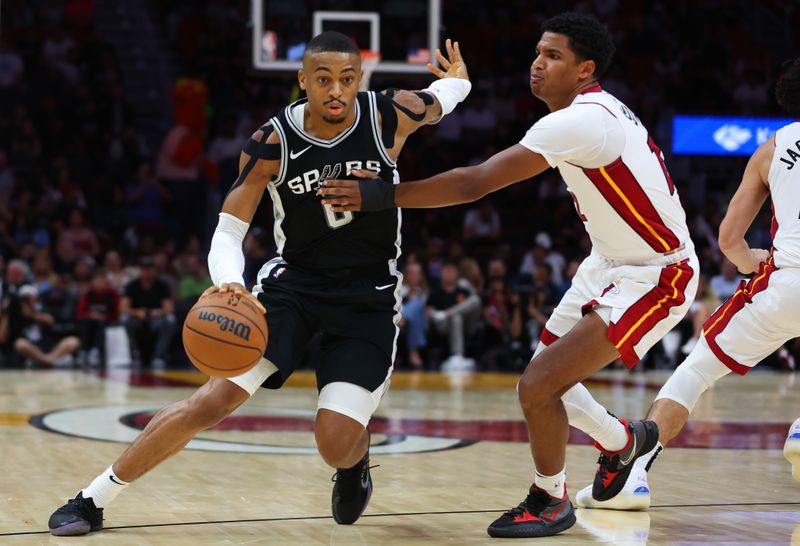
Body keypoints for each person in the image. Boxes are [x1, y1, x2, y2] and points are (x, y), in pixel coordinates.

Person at [47, 31, 471, 536]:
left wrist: (458, 81)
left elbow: (445, 96)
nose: (336, 91)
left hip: (368, 298)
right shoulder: (274, 141)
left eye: (346, 79)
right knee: (211, 401)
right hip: (293, 288)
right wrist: (230, 283)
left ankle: (354, 464)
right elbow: (229, 230)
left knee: (335, 442)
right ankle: (93, 498)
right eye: (323, 79)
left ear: (359, 79)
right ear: (303, 81)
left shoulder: (387, 114)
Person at [320, 13, 698, 537]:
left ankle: (550, 499)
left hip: (658, 272)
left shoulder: (581, 119)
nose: (537, 64)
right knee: (550, 382)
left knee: (538, 386)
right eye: (537, 53)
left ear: (585, 69)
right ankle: (622, 442)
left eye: (554, 57)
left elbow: (474, 184)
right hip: (607, 264)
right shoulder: (586, 113)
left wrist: (380, 197)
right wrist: (452, 87)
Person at [576, 57, 800, 509]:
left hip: (786, 283)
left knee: (694, 372)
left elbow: (729, 240)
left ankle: (631, 477)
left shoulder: (773, 147)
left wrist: (748, 262)